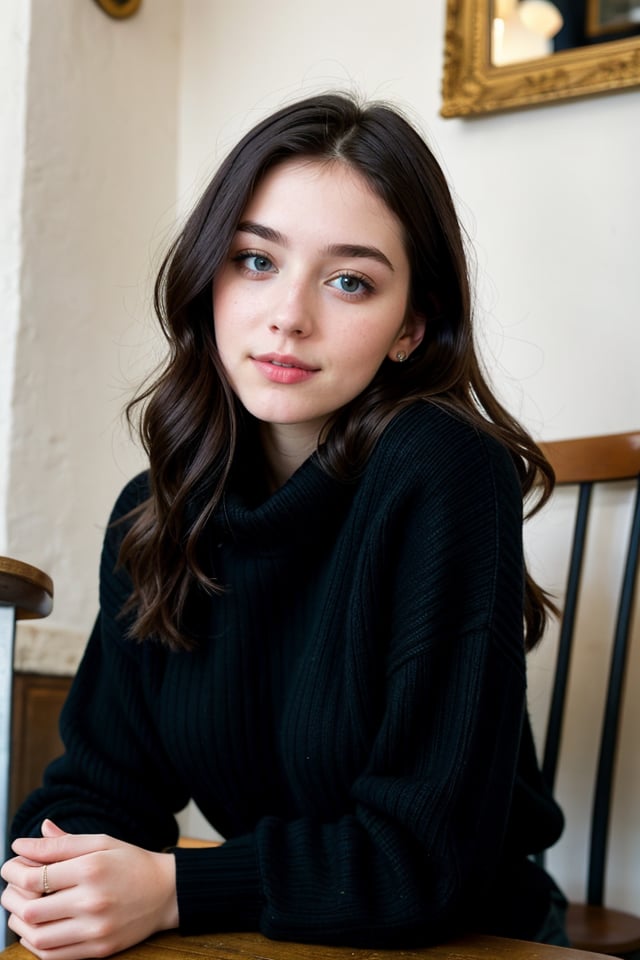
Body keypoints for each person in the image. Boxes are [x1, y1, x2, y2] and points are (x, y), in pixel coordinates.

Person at [1, 92, 568, 959]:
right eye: (255, 260)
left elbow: (422, 859)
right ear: (209, 277)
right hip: (276, 931)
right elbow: (99, 791)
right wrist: (52, 878)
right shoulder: (154, 513)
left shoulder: (444, 470)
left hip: (464, 935)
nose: (288, 316)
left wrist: (172, 887)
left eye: (350, 281)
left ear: (412, 325)